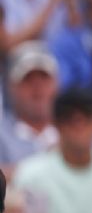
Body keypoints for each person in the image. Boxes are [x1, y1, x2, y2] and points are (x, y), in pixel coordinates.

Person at [0, 41, 60, 169]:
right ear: (11, 87)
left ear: (56, 84)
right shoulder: (1, 136)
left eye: (44, 78)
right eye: (27, 79)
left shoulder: (78, 126)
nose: (37, 87)